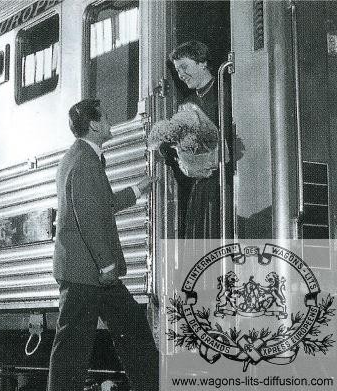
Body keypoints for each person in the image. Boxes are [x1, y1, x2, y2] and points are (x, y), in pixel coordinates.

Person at [47, 99, 158, 391]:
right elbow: (88, 218)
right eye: (107, 117)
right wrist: (107, 264)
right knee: (72, 351)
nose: (110, 122)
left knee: (131, 328)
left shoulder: (81, 156)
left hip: (87, 272)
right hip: (88, 273)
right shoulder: (84, 161)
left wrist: (137, 189)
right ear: (95, 125)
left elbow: (101, 204)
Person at [168, 40, 232, 239]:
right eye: (177, 70)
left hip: (226, 183)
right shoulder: (186, 104)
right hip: (202, 188)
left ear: (202, 63)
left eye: (184, 67)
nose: (180, 74)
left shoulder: (228, 92)